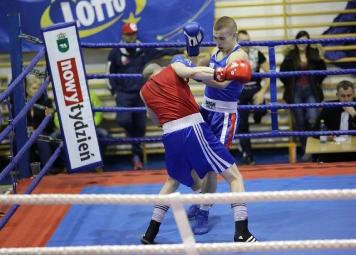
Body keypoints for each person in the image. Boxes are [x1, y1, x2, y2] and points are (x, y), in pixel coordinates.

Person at [139, 58, 257, 244]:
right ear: (161, 69)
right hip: (192, 128)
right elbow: (194, 73)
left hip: (169, 135)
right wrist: (224, 73)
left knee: (171, 181)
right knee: (234, 177)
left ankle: (150, 233)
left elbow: (155, 120)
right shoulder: (172, 68)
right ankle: (242, 232)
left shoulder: (144, 92)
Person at [183, 17, 250, 234]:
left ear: (233, 35)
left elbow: (221, 84)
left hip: (224, 117)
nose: (218, 42)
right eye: (215, 38)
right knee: (196, 160)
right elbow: (196, 66)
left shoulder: (239, 56)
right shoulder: (215, 51)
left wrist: (197, 76)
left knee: (212, 167)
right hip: (205, 111)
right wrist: (192, 49)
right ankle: (202, 199)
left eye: (222, 38)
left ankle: (203, 212)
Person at [106, 23, 183, 170]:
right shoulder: (115, 52)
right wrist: (114, 92)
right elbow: (109, 73)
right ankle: (130, 133)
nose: (131, 36)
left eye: (133, 34)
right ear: (124, 35)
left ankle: (136, 156)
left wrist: (180, 50)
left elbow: (161, 51)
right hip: (123, 93)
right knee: (122, 119)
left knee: (140, 127)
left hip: (141, 93)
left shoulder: (144, 48)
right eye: (129, 34)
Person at [279, 30, 327, 162]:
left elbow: (323, 71)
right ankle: (306, 149)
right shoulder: (291, 55)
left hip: (311, 89)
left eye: (305, 40)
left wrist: (316, 82)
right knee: (300, 121)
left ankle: (314, 148)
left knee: (312, 118)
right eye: (300, 40)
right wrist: (290, 85)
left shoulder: (314, 53)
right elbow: (282, 73)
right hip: (296, 90)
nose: (302, 43)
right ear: (296, 41)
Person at [311, 80, 356, 162]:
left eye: (349, 96)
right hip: (334, 151)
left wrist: (354, 114)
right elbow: (315, 129)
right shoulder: (329, 107)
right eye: (343, 96)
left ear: (354, 94)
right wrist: (326, 135)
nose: (346, 99)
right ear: (337, 95)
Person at [52, 90, 108, 173]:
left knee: (103, 134)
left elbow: (99, 113)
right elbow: (57, 117)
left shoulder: (91, 94)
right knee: (54, 137)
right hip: (69, 129)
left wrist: (90, 126)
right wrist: (66, 129)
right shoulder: (61, 96)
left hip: (90, 127)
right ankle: (66, 166)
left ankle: (97, 164)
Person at [236, 30, 270, 165]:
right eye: (243, 41)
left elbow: (270, 73)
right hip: (238, 89)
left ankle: (257, 114)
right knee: (241, 123)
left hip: (255, 88)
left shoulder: (256, 53)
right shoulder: (231, 55)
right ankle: (247, 155)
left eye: (248, 40)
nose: (246, 44)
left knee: (261, 109)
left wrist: (262, 92)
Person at [25, 76, 55, 170]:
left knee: (40, 138)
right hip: (26, 133)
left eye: (39, 88)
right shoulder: (20, 103)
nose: (37, 91)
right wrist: (26, 128)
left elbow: (49, 122)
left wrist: (37, 130)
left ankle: (48, 170)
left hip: (43, 131)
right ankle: (25, 172)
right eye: (34, 88)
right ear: (27, 89)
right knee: (19, 140)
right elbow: (16, 120)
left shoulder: (47, 103)